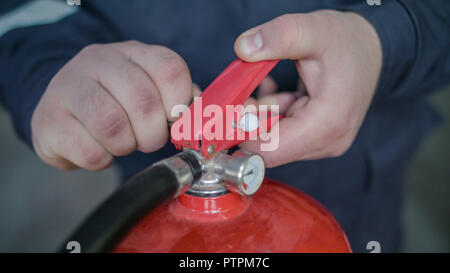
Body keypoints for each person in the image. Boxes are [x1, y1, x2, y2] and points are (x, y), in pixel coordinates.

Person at [0, 0, 449, 252]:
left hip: (359, 195)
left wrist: (383, 41)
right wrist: (45, 75)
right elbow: (24, 12)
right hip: (158, 210)